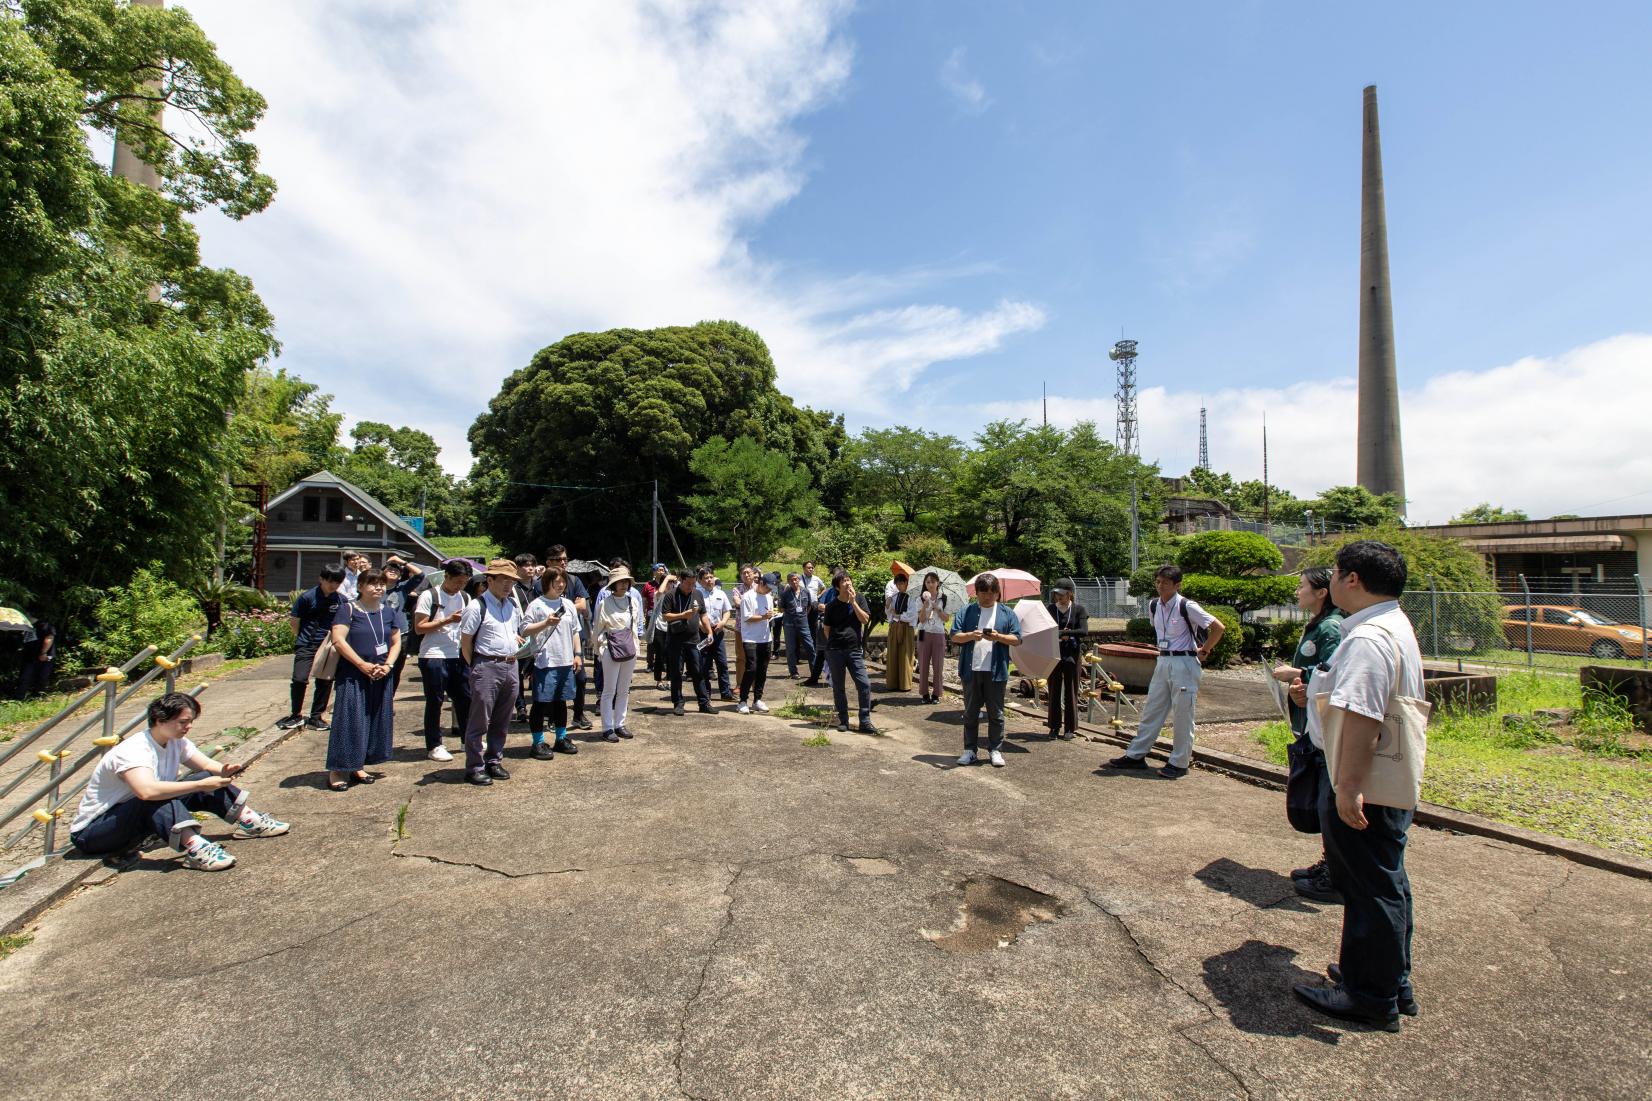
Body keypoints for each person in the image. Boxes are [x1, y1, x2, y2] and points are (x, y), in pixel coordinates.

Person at [1291, 541, 1424, 1033]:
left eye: (1339, 574)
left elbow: (1364, 714)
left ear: (1351, 580)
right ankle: (1391, 980)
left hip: (1362, 781)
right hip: (1388, 782)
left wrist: (1346, 787)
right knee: (1387, 879)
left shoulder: (1367, 638)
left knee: (1368, 886)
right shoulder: (1395, 625)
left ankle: (1369, 995)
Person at [69, 693, 288, 871]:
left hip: (129, 819)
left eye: (191, 722)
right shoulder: (134, 750)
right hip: (93, 833)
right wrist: (201, 785)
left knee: (202, 779)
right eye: (183, 722)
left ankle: (248, 820)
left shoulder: (175, 741)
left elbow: (205, 766)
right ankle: (195, 847)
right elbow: (146, 792)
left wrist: (224, 770)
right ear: (160, 720)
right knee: (156, 796)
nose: (188, 727)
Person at [1105, 565, 1224, 780]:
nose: (1160, 587)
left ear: (1177, 585)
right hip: (1163, 659)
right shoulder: (1154, 605)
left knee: (1183, 714)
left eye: (1165, 583)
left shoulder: (1187, 606)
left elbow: (1218, 627)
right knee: (1152, 708)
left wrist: (1205, 649)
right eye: (1158, 582)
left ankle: (1179, 762)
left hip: (1185, 661)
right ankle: (1136, 755)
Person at [1271, 566, 1345, 903]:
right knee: (1321, 797)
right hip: (1311, 717)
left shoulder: (1331, 627)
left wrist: (1298, 673)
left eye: (1302, 586)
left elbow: (1332, 670)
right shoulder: (1316, 623)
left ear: (1321, 592)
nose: (1297, 592)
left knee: (1328, 799)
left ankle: (1337, 871)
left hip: (1325, 725)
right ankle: (1329, 863)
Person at [326, 568, 404, 792]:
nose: (378, 587)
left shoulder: (388, 611)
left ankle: (358, 765)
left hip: (381, 673)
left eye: (381, 583)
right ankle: (338, 769)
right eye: (372, 583)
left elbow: (396, 641)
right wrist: (362, 665)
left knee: (374, 719)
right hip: (353, 674)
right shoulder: (348, 609)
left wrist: (388, 665)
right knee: (350, 720)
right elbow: (339, 641)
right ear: (360, 586)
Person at [458, 559, 526, 786]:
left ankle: (494, 760)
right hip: (486, 664)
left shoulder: (512, 606)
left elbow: (515, 633)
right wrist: (476, 666)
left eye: (512, 581)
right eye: (503, 579)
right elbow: (466, 642)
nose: (508, 585)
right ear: (490, 580)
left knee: (503, 718)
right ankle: (474, 766)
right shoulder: (476, 606)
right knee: (479, 719)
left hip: (511, 664)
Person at [950, 573, 1023, 767]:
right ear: (977, 592)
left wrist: (999, 637)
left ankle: (995, 749)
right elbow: (955, 636)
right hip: (971, 669)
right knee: (970, 713)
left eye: (992, 592)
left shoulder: (1007, 613)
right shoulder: (966, 611)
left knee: (996, 713)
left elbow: (1017, 639)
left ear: (998, 593)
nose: (988, 596)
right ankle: (969, 750)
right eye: (983, 591)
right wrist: (970, 635)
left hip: (996, 670)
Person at [414, 559, 474, 762]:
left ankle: (468, 739)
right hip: (433, 654)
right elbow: (419, 627)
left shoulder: (465, 597)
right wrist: (447, 620)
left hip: (457, 655)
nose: (460, 586)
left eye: (464, 582)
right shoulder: (429, 595)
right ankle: (434, 745)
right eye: (457, 581)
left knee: (465, 699)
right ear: (446, 576)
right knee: (435, 701)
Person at [522, 567, 582, 759]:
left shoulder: (568, 604)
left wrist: (578, 654)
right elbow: (524, 630)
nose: (561, 585)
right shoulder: (536, 605)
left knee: (561, 701)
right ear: (546, 583)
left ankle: (561, 738)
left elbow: (575, 631)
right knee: (540, 703)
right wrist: (545, 623)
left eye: (563, 581)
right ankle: (538, 742)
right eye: (556, 582)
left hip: (565, 660)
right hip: (544, 661)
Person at [279, 564, 346, 731]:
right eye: (330, 581)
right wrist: (302, 638)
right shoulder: (307, 597)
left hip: (328, 645)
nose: (334, 585)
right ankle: (296, 715)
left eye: (338, 582)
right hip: (307, 643)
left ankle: (316, 717)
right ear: (321, 579)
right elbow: (295, 622)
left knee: (325, 680)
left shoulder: (341, 600)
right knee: (299, 678)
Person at [543, 545, 593, 730]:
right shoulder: (541, 582)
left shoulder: (573, 580)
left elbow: (584, 605)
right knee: (554, 681)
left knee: (580, 679)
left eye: (565, 559)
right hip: (549, 640)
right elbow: (541, 609)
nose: (563, 562)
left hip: (572, 637)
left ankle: (578, 714)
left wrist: (565, 605)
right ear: (548, 562)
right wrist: (573, 605)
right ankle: (553, 717)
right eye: (558, 559)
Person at [822, 572, 877, 735]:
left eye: (848, 580)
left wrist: (853, 603)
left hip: (854, 650)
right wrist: (836, 644)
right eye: (843, 581)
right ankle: (843, 720)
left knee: (864, 684)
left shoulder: (859, 599)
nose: (847, 583)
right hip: (835, 651)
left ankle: (865, 720)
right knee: (839, 687)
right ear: (837, 587)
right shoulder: (831, 606)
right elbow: (826, 630)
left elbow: (865, 620)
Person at [592, 566, 640, 742]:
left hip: (629, 648)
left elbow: (636, 626)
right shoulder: (605, 603)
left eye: (625, 581)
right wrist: (599, 651)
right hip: (609, 647)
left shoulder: (632, 601)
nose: (623, 585)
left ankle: (620, 723)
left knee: (624, 689)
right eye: (619, 582)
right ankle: (607, 727)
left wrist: (636, 647)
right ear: (612, 585)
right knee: (608, 690)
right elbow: (597, 628)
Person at [663, 566, 713, 715]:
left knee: (698, 671)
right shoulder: (671, 595)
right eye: (688, 583)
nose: (691, 586)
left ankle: (704, 703)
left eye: (693, 583)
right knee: (677, 673)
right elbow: (665, 616)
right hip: (675, 641)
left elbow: (703, 615)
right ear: (681, 580)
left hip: (694, 640)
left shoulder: (697, 594)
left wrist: (709, 631)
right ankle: (678, 702)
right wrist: (682, 615)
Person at [1046, 579, 1090, 739]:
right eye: (1057, 594)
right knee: (1054, 690)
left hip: (1072, 654)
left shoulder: (1079, 609)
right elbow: (1045, 629)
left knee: (1071, 691)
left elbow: (1084, 631)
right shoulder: (1051, 609)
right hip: (1054, 653)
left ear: (1070, 593)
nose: (1059, 597)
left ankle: (1070, 727)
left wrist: (1067, 634)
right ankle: (1053, 727)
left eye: (1062, 594)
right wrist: (1058, 634)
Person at [737, 572, 781, 713]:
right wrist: (763, 617)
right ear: (761, 583)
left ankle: (757, 699)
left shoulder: (768, 597)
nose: (769, 590)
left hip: (765, 638)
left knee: (762, 669)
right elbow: (747, 617)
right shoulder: (748, 596)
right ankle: (742, 700)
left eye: (771, 588)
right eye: (767, 587)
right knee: (752, 668)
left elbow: (766, 614)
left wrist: (771, 616)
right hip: (750, 638)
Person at [697, 566, 736, 701]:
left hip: (717, 631)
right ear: (700, 581)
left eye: (711, 577)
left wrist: (723, 622)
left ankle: (725, 692)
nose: (709, 580)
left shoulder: (721, 593)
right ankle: (705, 693)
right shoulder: (697, 594)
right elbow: (693, 614)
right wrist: (701, 625)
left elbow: (726, 611)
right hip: (702, 633)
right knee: (704, 664)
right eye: (706, 578)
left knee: (722, 663)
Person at [915, 573, 950, 704]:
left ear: (938, 583)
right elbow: (922, 619)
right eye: (928, 582)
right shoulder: (919, 599)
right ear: (925, 584)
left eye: (933, 582)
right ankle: (924, 693)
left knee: (938, 665)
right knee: (923, 664)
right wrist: (925, 605)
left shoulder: (944, 599)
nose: (930, 584)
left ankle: (936, 694)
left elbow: (947, 618)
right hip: (924, 632)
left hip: (939, 633)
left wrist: (937, 608)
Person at [884, 568, 918, 692]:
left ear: (906, 583)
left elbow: (913, 614)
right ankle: (892, 683)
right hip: (894, 627)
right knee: (892, 654)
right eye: (897, 584)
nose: (899, 586)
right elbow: (888, 612)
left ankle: (905, 684)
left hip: (906, 628)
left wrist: (898, 615)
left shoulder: (911, 597)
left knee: (905, 655)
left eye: (901, 583)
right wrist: (888, 604)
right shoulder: (894, 596)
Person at [780, 572, 815, 679]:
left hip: (803, 624)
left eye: (796, 579)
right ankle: (793, 672)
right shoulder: (785, 594)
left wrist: (802, 616)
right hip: (789, 624)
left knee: (810, 647)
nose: (794, 581)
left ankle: (815, 671)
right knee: (791, 649)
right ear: (788, 582)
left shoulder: (806, 591)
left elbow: (808, 607)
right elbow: (782, 608)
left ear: (799, 580)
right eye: (791, 580)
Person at [647, 574, 679, 683]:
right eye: (668, 583)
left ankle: (669, 679)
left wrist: (674, 580)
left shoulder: (675, 595)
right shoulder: (658, 595)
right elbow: (660, 591)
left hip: (672, 628)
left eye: (671, 583)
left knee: (671, 655)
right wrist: (666, 578)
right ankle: (658, 680)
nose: (669, 585)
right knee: (659, 656)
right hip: (659, 627)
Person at [17, 617, 56, 700]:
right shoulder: (27, 626)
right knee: (25, 678)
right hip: (30, 656)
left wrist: (43, 652)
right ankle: (19, 698)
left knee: (41, 677)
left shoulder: (45, 625)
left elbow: (49, 638)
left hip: (44, 656)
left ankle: (37, 697)